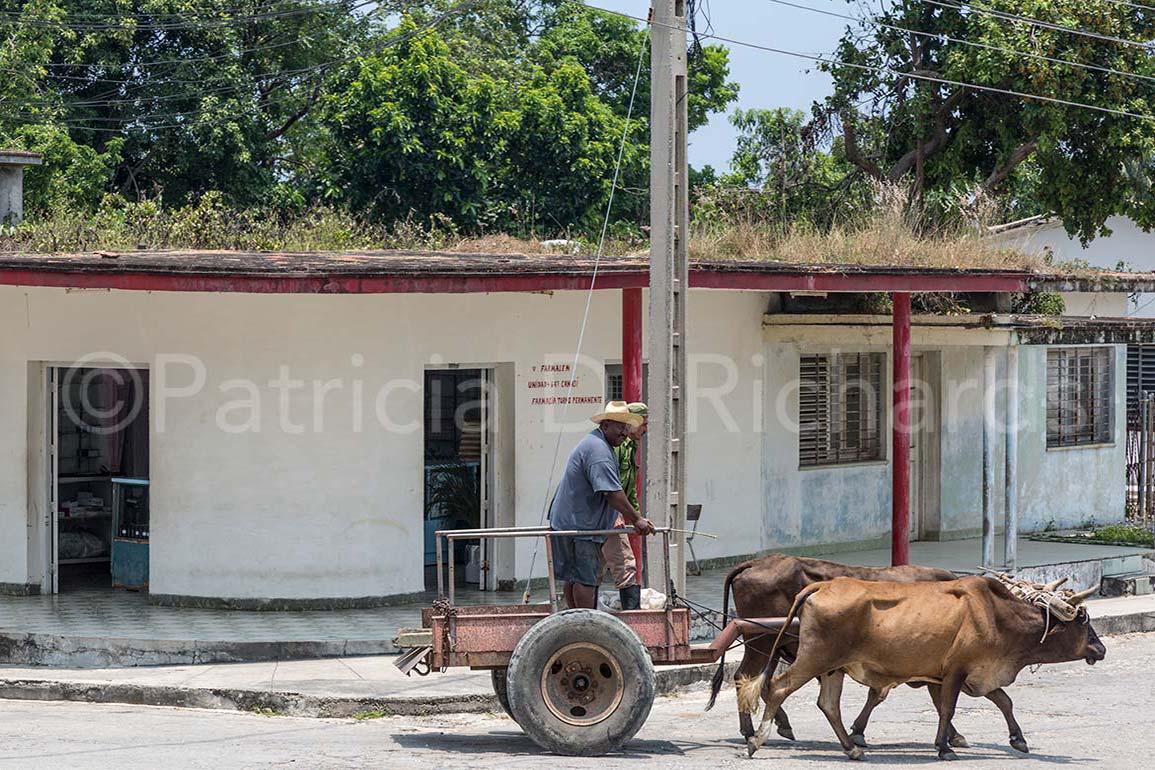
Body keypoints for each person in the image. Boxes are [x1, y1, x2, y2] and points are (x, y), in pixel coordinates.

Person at [548, 401, 656, 610]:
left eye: (627, 427)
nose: (624, 432)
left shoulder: (603, 444)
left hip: (579, 522)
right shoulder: (599, 451)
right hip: (581, 525)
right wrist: (637, 520)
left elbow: (626, 488)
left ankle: (577, 617)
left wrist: (635, 515)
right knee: (587, 577)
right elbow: (612, 492)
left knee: (577, 576)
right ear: (605, 425)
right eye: (619, 427)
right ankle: (587, 622)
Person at [601, 402, 648, 609]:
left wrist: (637, 517)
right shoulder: (618, 447)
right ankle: (633, 616)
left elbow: (630, 488)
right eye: (643, 424)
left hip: (613, 512)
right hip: (609, 512)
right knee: (625, 563)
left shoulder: (631, 446)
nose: (645, 430)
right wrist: (621, 515)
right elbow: (612, 487)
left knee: (597, 566)